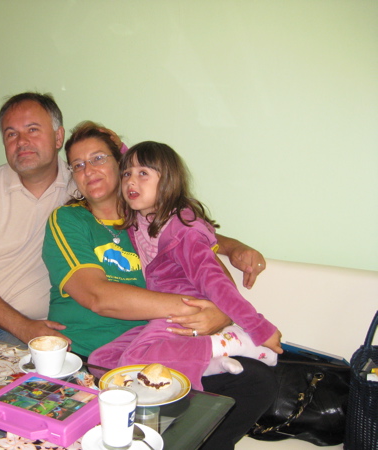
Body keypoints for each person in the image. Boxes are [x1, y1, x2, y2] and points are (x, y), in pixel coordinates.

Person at [0, 92, 267, 348]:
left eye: (32, 129)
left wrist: (231, 247)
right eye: (11, 133)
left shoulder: (87, 183)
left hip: (34, 329)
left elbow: (171, 221)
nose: (21, 141)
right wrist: (23, 327)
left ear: (58, 137)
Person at [42, 121, 278, 449]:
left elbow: (193, 243)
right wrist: (198, 310)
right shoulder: (70, 220)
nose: (89, 170)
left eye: (98, 158)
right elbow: (98, 296)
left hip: (160, 347)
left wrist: (230, 257)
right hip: (95, 355)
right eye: (78, 165)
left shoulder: (142, 219)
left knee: (258, 382)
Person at [88, 141, 282, 391]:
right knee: (100, 362)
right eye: (126, 174)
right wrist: (115, 144)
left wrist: (258, 328)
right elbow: (124, 160)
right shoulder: (140, 218)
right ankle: (210, 363)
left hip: (190, 311)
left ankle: (234, 343)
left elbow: (215, 281)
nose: (131, 181)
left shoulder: (184, 232)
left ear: (168, 181)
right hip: (164, 312)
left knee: (134, 362)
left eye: (143, 173)